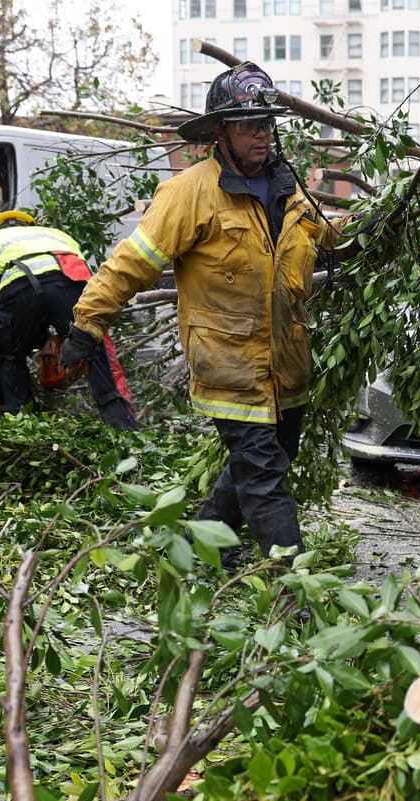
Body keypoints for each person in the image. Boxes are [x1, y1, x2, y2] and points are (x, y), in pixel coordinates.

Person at [61, 61, 347, 565]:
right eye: (248, 125)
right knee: (263, 477)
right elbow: (132, 263)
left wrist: (376, 225)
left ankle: (195, 549)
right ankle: (297, 589)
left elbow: (324, 238)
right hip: (229, 364)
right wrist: (88, 322)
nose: (261, 134)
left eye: (266, 123)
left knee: (264, 462)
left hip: (287, 363)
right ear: (221, 131)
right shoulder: (188, 193)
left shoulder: (287, 186)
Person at [0, 210, 140, 430]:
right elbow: (82, 277)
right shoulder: (55, 234)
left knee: (9, 357)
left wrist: (23, 334)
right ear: (30, 225)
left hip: (19, 291)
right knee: (94, 345)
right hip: (70, 283)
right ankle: (123, 425)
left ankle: (21, 424)